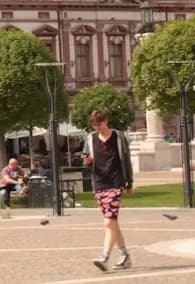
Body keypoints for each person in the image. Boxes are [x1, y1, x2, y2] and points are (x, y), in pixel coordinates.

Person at [83, 108, 134, 272]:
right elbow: (86, 160)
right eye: (95, 125)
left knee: (108, 221)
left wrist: (129, 182)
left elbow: (126, 159)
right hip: (99, 183)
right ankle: (125, 255)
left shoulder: (119, 137)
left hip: (115, 182)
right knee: (112, 223)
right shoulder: (90, 139)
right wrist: (88, 160)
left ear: (106, 121)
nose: (98, 128)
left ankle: (104, 256)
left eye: (100, 124)